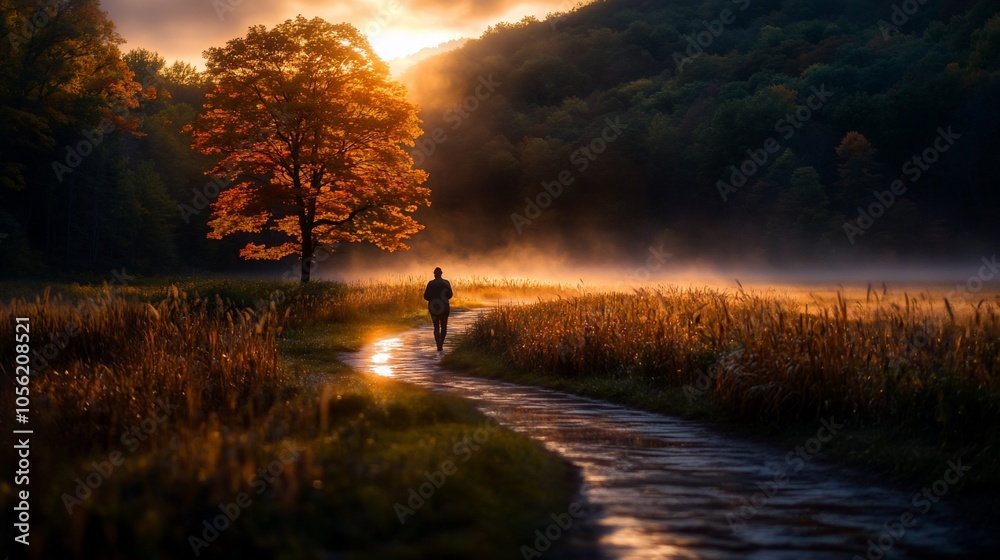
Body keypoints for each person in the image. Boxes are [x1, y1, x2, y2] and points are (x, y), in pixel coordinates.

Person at [423, 267, 453, 351]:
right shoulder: (446, 282)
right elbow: (450, 295)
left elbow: (425, 296)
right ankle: (441, 344)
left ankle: (438, 345)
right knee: (444, 326)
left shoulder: (430, 283)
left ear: (434, 274)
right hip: (444, 307)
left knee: (436, 327)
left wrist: (432, 299)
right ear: (441, 273)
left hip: (434, 308)